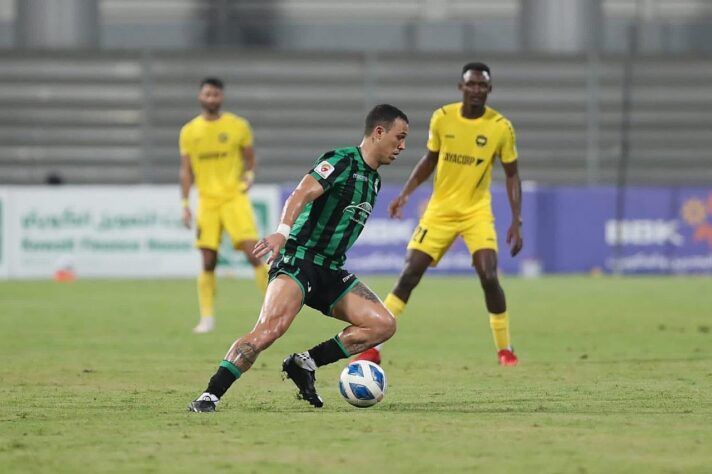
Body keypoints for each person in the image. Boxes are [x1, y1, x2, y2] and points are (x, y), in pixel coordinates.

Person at [188, 104, 409, 412]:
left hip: (330, 270)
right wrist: (282, 231)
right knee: (270, 330)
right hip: (299, 259)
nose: (402, 146)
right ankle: (209, 395)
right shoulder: (341, 161)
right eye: (399, 137)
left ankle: (305, 363)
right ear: (379, 132)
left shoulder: (374, 180)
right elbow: (301, 194)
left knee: (383, 324)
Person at [353, 62, 523, 367]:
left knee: (488, 274)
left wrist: (516, 219)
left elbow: (512, 175)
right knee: (410, 273)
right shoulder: (442, 118)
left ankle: (505, 350)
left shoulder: (501, 128)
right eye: (470, 84)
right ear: (461, 88)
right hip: (440, 211)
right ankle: (373, 345)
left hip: (476, 212)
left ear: (489, 89)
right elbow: (429, 159)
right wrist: (405, 194)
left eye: (482, 85)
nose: (476, 90)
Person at [179, 77, 270, 334]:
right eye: (207, 94)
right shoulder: (189, 131)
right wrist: (185, 203)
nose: (211, 99)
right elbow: (186, 171)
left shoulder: (238, 126)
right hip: (207, 202)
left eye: (215, 95)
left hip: (234, 198)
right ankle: (207, 318)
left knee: (255, 254)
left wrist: (249, 177)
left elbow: (251, 161)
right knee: (208, 261)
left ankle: (271, 311)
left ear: (221, 97)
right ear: (200, 96)